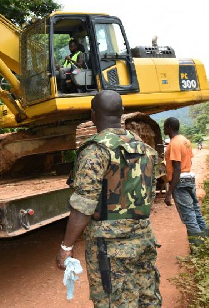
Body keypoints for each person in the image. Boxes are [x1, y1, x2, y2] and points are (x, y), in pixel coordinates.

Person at [56, 90, 162, 307]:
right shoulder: (146, 149)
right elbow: (149, 195)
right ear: (122, 112)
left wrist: (66, 247)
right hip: (143, 239)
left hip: (109, 247)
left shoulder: (95, 151)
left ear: (93, 115)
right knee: (147, 298)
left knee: (114, 301)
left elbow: (83, 206)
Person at [163, 117, 208, 247]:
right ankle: (206, 242)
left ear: (170, 128)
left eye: (165, 127)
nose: (164, 129)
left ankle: (198, 248)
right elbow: (189, 161)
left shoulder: (175, 143)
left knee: (190, 218)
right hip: (189, 178)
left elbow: (177, 169)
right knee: (196, 212)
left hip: (180, 181)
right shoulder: (185, 141)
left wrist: (169, 193)